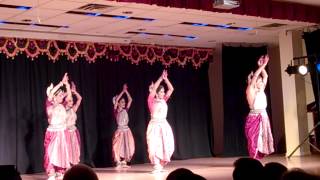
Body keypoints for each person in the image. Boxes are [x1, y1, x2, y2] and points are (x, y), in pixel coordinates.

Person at [245, 55, 274, 159]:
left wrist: (261, 66)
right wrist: (264, 65)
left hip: (263, 116)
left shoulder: (261, 90)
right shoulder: (250, 91)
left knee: (262, 139)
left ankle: (258, 157)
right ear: (254, 83)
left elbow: (265, 77)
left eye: (262, 82)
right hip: (255, 117)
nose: (262, 83)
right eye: (259, 81)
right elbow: (255, 76)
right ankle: (253, 159)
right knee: (254, 139)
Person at [147, 70, 175, 173]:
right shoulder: (151, 101)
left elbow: (171, 89)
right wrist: (160, 78)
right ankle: (156, 165)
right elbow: (154, 89)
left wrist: (166, 79)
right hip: (154, 126)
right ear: (157, 93)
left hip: (164, 125)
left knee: (166, 145)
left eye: (164, 91)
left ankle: (161, 164)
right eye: (161, 91)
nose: (163, 93)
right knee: (154, 145)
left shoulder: (164, 100)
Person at [44, 73, 70, 180]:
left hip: (62, 132)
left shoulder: (62, 105)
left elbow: (68, 97)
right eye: (60, 95)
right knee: (50, 153)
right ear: (54, 96)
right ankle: (51, 173)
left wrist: (67, 85)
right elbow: (50, 95)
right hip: (52, 132)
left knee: (61, 152)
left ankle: (60, 172)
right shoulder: (49, 104)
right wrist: (60, 83)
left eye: (62, 95)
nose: (62, 97)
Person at [112, 84, 135, 168]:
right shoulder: (116, 110)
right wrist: (122, 91)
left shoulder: (126, 110)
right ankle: (118, 161)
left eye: (124, 102)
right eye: (122, 102)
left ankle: (124, 161)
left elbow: (130, 100)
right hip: (120, 130)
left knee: (127, 145)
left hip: (126, 130)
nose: (124, 103)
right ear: (117, 103)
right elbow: (117, 99)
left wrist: (126, 91)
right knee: (117, 146)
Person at [65, 81, 82, 166]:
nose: (72, 102)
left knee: (75, 148)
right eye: (70, 101)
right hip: (67, 131)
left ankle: (74, 163)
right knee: (67, 148)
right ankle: (67, 164)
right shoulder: (63, 110)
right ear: (66, 102)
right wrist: (68, 90)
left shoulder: (73, 109)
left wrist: (75, 92)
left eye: (72, 101)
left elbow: (80, 99)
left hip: (74, 131)